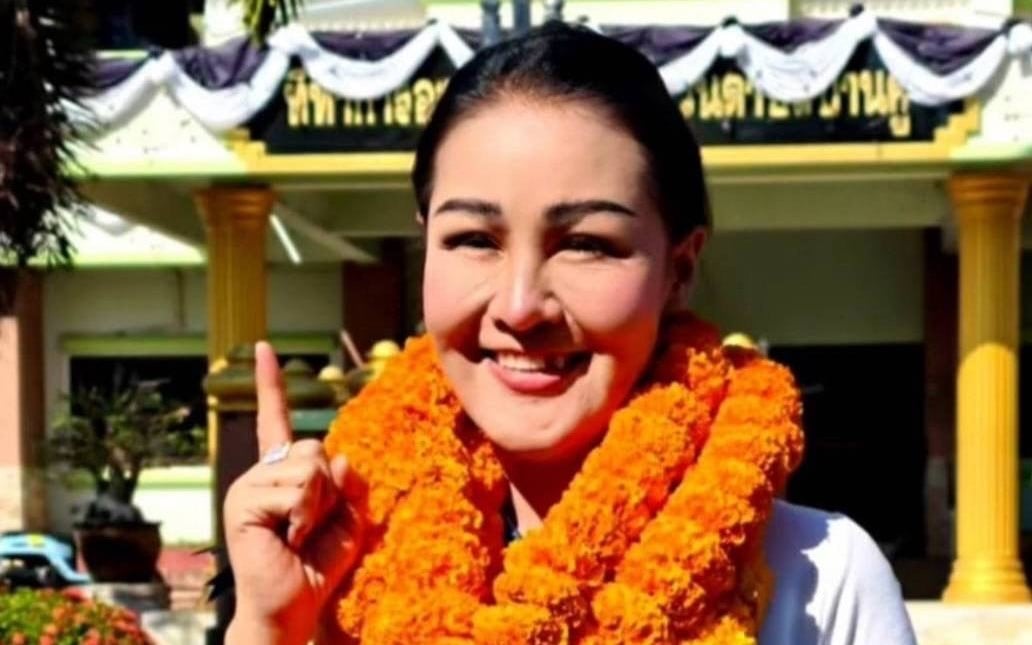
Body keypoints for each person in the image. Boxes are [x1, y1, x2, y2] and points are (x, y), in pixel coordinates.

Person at [222, 23, 917, 645]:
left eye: (586, 243)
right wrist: (269, 627)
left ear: (678, 269)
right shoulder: (334, 573)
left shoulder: (817, 580)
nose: (521, 306)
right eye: (473, 239)